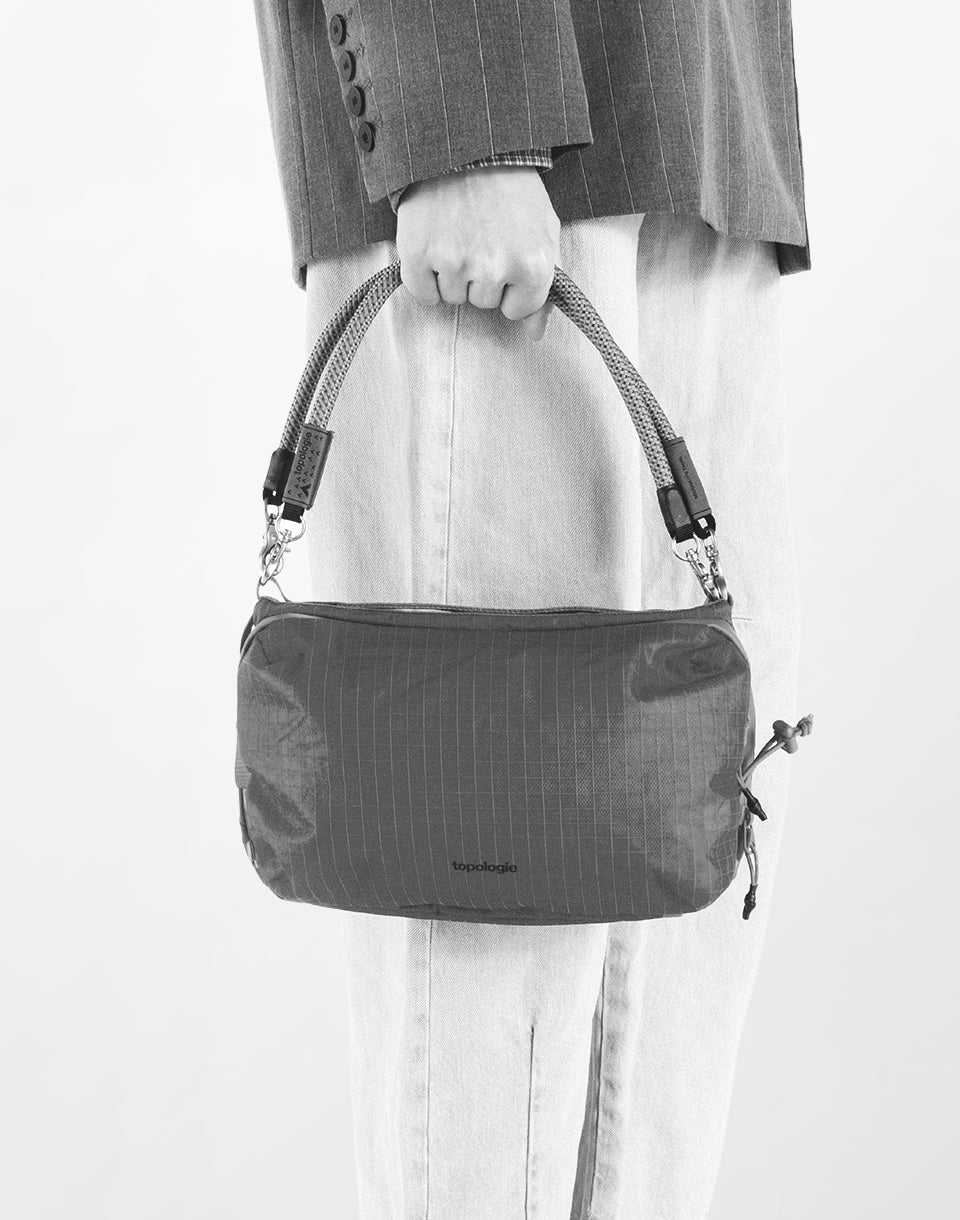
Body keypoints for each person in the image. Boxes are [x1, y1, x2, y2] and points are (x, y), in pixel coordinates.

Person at [252, 2, 809, 1216]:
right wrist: (460, 115)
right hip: (507, 127)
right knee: (488, 993)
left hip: (703, 124)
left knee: (662, 977)